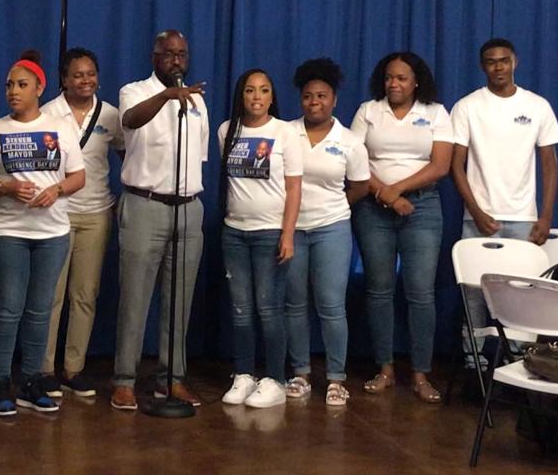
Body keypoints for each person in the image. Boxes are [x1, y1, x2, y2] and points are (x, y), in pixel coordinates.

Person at [0, 50, 86, 417]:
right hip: (7, 232)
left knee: (39, 311)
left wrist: (57, 190)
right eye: (8, 85)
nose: (12, 92)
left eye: (21, 85)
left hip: (52, 233)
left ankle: (32, 381)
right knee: (8, 309)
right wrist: (4, 188)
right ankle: (0, 382)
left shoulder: (61, 128)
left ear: (40, 88)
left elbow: (78, 176)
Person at [111, 30, 209, 412]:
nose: (177, 61)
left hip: (188, 207)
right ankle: (123, 380)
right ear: (155, 57)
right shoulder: (134, 91)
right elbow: (131, 121)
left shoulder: (198, 102)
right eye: (169, 54)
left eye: (183, 54)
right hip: (144, 205)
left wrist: (183, 99)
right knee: (134, 297)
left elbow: (197, 157)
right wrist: (168, 96)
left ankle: (173, 378)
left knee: (179, 300)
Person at [450, 38, 558, 360]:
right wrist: (476, 210)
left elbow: (550, 166)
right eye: (490, 61)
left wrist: (545, 217)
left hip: (523, 218)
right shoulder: (467, 106)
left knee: (522, 296)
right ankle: (474, 364)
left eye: (503, 60)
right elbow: (455, 166)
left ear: (515, 62)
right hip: (478, 219)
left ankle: (517, 363)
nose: (498, 67)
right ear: (482, 66)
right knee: (473, 294)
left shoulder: (537, 105)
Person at [350, 52, 452, 404]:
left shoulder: (436, 113)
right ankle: (386, 369)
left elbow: (440, 165)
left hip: (422, 208)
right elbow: (355, 160)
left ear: (416, 81)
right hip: (373, 209)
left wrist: (400, 190)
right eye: (389, 78)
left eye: (402, 78)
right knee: (378, 290)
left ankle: (421, 373)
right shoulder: (368, 111)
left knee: (420, 292)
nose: (394, 84)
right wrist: (388, 196)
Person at [38, 48, 124, 399]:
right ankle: (43, 370)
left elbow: (125, 154)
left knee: (85, 295)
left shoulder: (112, 115)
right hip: (55, 213)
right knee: (51, 295)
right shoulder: (47, 113)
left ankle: (74, 368)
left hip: (96, 213)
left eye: (91, 74)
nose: (85, 80)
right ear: (64, 79)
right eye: (78, 75)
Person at [284, 58, 369, 407]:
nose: (314, 102)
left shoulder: (349, 141)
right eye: (307, 96)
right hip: (291, 229)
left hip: (332, 228)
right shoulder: (285, 132)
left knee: (332, 305)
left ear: (334, 100)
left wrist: (337, 207)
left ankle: (336, 378)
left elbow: (361, 185)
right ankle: (300, 374)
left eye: (321, 96)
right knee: (294, 305)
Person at [218, 69, 302, 408]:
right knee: (240, 310)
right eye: (250, 90)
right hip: (234, 232)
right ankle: (243, 374)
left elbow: (294, 187)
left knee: (268, 309)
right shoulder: (227, 130)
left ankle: (274, 379)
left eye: (264, 90)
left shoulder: (284, 132)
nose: (257, 96)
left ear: (272, 97)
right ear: (242, 95)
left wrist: (287, 234)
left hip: (270, 233)